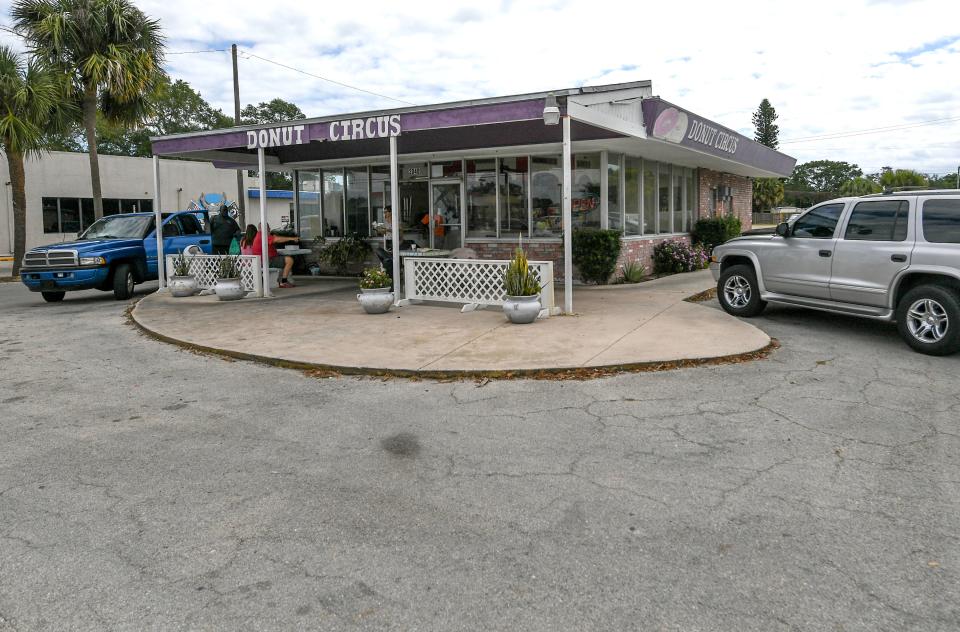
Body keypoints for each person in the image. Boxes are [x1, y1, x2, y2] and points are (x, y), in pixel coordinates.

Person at [251, 223, 299, 288]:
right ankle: (283, 282)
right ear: (264, 228)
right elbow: (277, 239)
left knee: (285, 259)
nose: (270, 229)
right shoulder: (263, 236)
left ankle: (282, 280)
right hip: (266, 261)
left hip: (262, 261)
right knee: (289, 260)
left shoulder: (259, 235)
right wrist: (292, 238)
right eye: (268, 228)